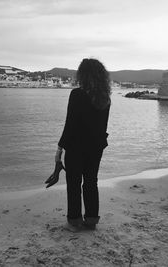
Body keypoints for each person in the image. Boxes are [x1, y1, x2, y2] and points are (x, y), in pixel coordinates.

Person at [55, 58, 111, 230]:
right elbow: (102, 126)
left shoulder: (77, 94)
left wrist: (59, 148)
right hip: (96, 147)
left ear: (83, 75)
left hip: (76, 146)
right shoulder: (105, 98)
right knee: (91, 182)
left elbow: (70, 124)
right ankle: (92, 220)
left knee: (73, 183)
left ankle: (74, 221)